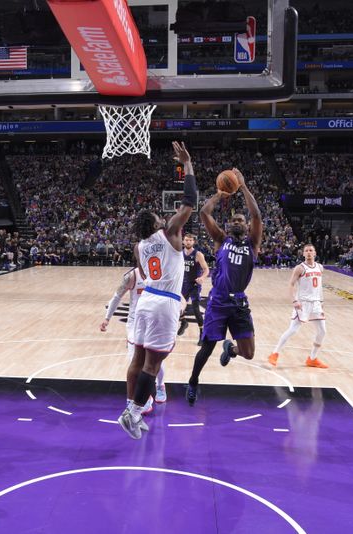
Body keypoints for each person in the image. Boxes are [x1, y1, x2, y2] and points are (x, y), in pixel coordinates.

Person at [117, 141, 197, 439]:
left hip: (145, 300)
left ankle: (131, 408)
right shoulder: (170, 233)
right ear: (154, 223)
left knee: (138, 359)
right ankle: (133, 413)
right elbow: (189, 201)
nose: (162, 217)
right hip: (165, 304)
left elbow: (143, 269)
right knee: (153, 364)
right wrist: (187, 165)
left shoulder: (139, 247)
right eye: (157, 217)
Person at [185, 168, 263, 406]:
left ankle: (231, 350)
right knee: (207, 348)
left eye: (241, 220)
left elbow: (257, 216)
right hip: (218, 301)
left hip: (239, 302)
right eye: (234, 220)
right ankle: (193, 382)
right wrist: (220, 194)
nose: (238, 221)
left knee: (248, 353)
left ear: (246, 226)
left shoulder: (253, 242)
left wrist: (243, 185)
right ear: (229, 225)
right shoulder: (221, 239)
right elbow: (204, 212)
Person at [100, 266, 164, 407]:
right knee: (134, 360)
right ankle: (142, 398)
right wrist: (107, 318)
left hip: (154, 319)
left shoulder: (161, 272)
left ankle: (160, 385)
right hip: (135, 322)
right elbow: (117, 296)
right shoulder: (131, 276)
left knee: (156, 359)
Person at [268, 243, 329, 369]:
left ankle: (312, 358)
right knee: (293, 330)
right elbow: (291, 285)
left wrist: (321, 301)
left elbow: (318, 287)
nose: (308, 252)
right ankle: (274, 353)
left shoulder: (320, 267)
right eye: (306, 250)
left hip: (316, 303)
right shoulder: (299, 268)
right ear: (303, 253)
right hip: (303, 303)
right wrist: (294, 301)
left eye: (311, 250)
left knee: (322, 331)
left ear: (315, 253)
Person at [177, 234, 209, 345]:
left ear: (193, 242)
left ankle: (202, 333)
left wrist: (202, 277)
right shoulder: (179, 254)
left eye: (190, 240)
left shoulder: (198, 254)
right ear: (183, 241)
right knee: (177, 307)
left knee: (196, 309)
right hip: (182, 284)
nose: (188, 242)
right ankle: (184, 322)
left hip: (194, 285)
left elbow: (206, 269)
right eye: (186, 240)